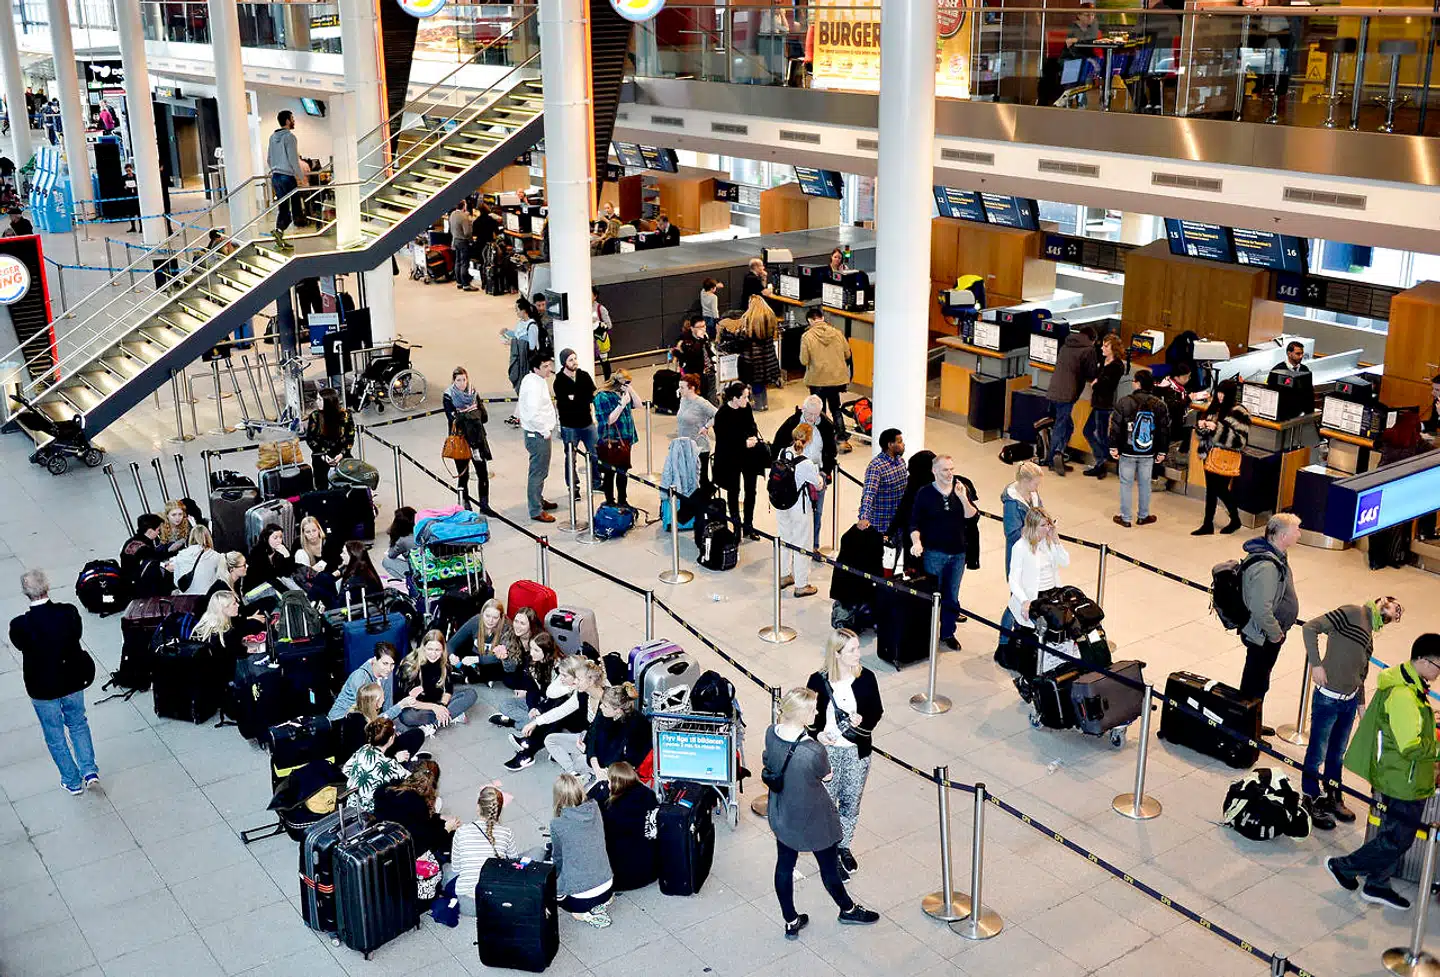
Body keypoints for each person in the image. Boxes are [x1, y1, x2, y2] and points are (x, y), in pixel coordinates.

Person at [1326, 634, 1440, 912]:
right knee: (1398, 839)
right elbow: (1410, 746)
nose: (1439, 673)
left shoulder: (1412, 685)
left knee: (1392, 834)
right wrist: (1437, 748)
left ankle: (1378, 884)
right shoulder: (1404, 695)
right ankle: (1345, 866)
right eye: (1439, 666)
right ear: (1423, 661)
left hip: (1401, 775)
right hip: (1403, 779)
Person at [763, 687, 879, 939]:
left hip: (783, 813)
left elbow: (770, 758)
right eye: (813, 709)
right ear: (803, 715)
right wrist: (821, 744)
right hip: (814, 819)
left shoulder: (771, 733)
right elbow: (827, 775)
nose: (817, 711)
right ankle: (847, 909)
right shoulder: (813, 750)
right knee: (828, 868)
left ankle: (791, 920)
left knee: (784, 867)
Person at [1301, 596, 1405, 830]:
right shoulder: (1351, 612)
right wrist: (1316, 664)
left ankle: (1332, 794)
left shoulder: (1369, 638)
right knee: (1318, 751)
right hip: (1327, 698)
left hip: (1348, 703)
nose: (1395, 615)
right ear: (1382, 600)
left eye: (1398, 616)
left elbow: (1361, 676)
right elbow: (1310, 628)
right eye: (1394, 608)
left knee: (1337, 753)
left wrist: (1360, 708)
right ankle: (1310, 797)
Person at [9, 570, 98, 795]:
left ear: (25, 593)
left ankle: (71, 780)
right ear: (47, 586)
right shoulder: (68, 612)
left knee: (54, 734)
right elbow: (76, 635)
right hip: (72, 680)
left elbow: (21, 645)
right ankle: (89, 771)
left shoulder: (20, 625)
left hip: (42, 687)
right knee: (78, 723)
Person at [806, 629, 882, 881]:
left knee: (851, 802)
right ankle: (829, 854)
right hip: (827, 752)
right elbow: (809, 717)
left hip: (855, 751)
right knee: (827, 806)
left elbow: (876, 712)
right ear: (836, 654)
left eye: (858, 648)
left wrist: (861, 723)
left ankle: (843, 846)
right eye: (852, 650)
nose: (858, 654)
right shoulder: (818, 681)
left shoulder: (866, 678)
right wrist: (817, 735)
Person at [1238, 513, 1303, 734]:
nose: (1299, 534)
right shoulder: (1267, 566)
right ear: (1283, 535)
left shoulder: (1278, 555)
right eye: (1297, 530)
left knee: (1259, 681)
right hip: (1263, 635)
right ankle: (1247, 729)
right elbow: (1260, 609)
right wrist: (1275, 633)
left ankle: (1252, 723)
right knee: (1254, 683)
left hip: (1268, 634)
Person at [908, 454, 980, 650]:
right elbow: (914, 522)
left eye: (951, 469)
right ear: (934, 472)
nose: (950, 474)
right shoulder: (924, 493)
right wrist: (917, 541)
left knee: (952, 596)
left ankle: (948, 633)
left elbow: (972, 517)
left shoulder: (960, 488)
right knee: (933, 595)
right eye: (945, 470)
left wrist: (964, 498)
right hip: (934, 553)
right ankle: (928, 633)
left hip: (958, 553)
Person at [507, 655, 605, 772]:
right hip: (587, 735)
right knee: (551, 738)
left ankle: (529, 747)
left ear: (590, 680)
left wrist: (588, 745)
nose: (574, 681)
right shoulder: (582, 694)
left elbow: (607, 735)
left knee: (580, 759)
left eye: (577, 679)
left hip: (599, 744)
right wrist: (535, 723)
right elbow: (560, 708)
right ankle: (573, 773)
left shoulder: (605, 701)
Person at [549, 773, 615, 927]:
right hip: (607, 883)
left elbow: (558, 858)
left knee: (555, 893)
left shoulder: (557, 823)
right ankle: (602, 903)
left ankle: (584, 914)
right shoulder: (595, 809)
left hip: (579, 894)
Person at [1107, 368, 1169, 528]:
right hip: (1148, 451)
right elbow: (1163, 430)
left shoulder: (1124, 402)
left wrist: (1113, 447)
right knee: (1145, 483)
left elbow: (1115, 427)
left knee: (1126, 483)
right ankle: (1143, 516)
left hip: (1127, 451)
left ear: (1138, 383)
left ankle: (1126, 518)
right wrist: (1162, 451)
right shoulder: (1159, 405)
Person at [776, 395, 837, 554]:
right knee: (795, 513)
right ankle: (794, 545)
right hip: (794, 478)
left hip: (818, 475)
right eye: (809, 414)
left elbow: (831, 452)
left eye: (816, 414)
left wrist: (825, 472)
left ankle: (813, 546)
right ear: (803, 410)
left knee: (817, 513)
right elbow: (778, 446)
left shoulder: (826, 426)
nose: (812, 418)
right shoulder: (791, 423)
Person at [449, 785, 522, 915]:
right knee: (536, 852)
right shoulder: (506, 833)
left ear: (478, 807)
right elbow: (514, 863)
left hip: (467, 904)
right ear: (498, 811)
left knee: (447, 870)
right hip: (496, 901)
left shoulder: (461, 832)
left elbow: (456, 868)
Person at [1192, 378, 1250, 536]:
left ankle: (1235, 519)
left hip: (1226, 456)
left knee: (1221, 489)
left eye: (1224, 393)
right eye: (1219, 392)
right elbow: (1200, 434)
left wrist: (1217, 428)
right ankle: (1207, 524)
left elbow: (1240, 441)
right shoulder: (1213, 408)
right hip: (1209, 453)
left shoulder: (1239, 412)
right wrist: (1202, 427)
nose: (1220, 396)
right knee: (1211, 490)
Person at [590, 761, 659, 891]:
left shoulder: (613, 809)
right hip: (651, 869)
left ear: (616, 783)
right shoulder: (648, 794)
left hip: (623, 878)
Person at [775, 423, 825, 598]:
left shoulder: (782, 452)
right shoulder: (806, 463)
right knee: (802, 543)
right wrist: (819, 476)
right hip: (800, 507)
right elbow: (818, 485)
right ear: (808, 440)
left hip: (781, 505)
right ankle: (801, 584)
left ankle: (783, 575)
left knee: (784, 539)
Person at [374, 759, 461, 858]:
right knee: (448, 834)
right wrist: (447, 828)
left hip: (383, 836)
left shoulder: (389, 788)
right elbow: (426, 837)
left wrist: (440, 817)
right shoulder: (418, 804)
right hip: (402, 849)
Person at [1007, 506, 1071, 641]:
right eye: (1043, 525)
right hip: (1034, 597)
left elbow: (1065, 562)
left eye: (1048, 524)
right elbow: (1013, 579)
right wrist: (1024, 601)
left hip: (1052, 593)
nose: (1047, 529)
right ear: (1033, 526)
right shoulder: (1020, 547)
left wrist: (1056, 540)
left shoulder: (1048, 543)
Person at [398, 629, 479, 734]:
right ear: (423, 647)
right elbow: (407, 701)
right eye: (430, 649)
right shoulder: (410, 665)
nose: (433, 654)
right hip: (419, 705)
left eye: (437, 650)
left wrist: (442, 706)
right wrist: (435, 707)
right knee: (407, 717)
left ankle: (434, 724)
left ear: (443, 650)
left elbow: (448, 689)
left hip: (438, 698)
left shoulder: (443, 661)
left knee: (471, 693)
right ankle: (451, 714)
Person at [1045, 324, 1099, 476]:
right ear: (1092, 339)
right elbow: (1091, 373)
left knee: (1067, 426)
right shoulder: (1088, 349)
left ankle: (1059, 455)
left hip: (1053, 389)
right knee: (1061, 426)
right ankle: (1053, 458)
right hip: (1067, 394)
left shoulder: (1065, 344)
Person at [712, 381, 763, 541]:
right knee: (733, 492)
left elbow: (751, 425)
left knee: (751, 490)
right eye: (745, 397)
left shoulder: (745, 408)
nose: (747, 401)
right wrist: (743, 443)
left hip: (748, 456)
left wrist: (753, 436)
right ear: (734, 398)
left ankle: (749, 525)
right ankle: (736, 526)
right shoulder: (722, 415)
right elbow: (723, 440)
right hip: (731, 458)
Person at [488, 621, 560, 731]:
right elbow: (532, 689)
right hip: (538, 701)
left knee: (549, 723)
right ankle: (531, 724)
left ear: (546, 652)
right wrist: (532, 707)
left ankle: (515, 723)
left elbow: (557, 700)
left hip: (551, 706)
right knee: (505, 704)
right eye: (531, 649)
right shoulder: (532, 662)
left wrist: (539, 709)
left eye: (536, 650)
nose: (532, 653)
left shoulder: (557, 669)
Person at [799, 308, 854, 453]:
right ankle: (842, 439)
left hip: (817, 379)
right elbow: (847, 353)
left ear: (810, 320)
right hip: (837, 378)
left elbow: (804, 360)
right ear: (822, 318)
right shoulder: (837, 333)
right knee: (836, 407)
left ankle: (823, 439)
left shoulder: (807, 336)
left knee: (820, 410)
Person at [335, 681, 424, 763]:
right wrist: (395, 758)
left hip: (376, 751)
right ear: (376, 702)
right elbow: (369, 758)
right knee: (416, 736)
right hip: (373, 762)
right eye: (382, 697)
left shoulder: (359, 713)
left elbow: (382, 717)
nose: (384, 699)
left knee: (413, 734)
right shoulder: (360, 726)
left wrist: (401, 705)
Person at [329, 642, 419, 722]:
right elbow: (370, 721)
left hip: (366, 717)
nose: (389, 669)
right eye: (385, 663)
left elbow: (388, 703)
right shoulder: (361, 679)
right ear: (375, 659)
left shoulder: (386, 672)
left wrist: (390, 725)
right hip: (342, 722)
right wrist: (400, 705)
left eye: (392, 665)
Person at [519, 351, 560, 523]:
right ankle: (536, 509)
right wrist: (545, 431)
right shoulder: (533, 385)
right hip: (537, 435)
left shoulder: (536, 380)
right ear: (536, 368)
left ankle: (538, 499)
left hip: (538, 432)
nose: (549, 369)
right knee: (538, 472)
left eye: (549, 365)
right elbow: (533, 414)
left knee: (541, 471)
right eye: (545, 366)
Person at [554, 348, 600, 500]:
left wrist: (576, 399)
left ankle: (596, 482)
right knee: (570, 458)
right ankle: (573, 488)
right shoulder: (559, 381)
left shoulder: (584, 376)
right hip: (569, 426)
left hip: (587, 423)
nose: (574, 362)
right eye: (570, 360)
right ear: (564, 363)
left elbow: (591, 396)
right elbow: (566, 404)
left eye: (575, 358)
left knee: (595, 454)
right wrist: (579, 399)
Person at [443, 367, 491, 510]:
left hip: (477, 439)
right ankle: (465, 504)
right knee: (463, 475)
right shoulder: (448, 396)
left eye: (464, 379)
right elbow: (454, 419)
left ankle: (484, 505)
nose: (462, 383)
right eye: (458, 380)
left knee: (483, 473)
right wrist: (472, 414)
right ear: (454, 381)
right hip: (461, 440)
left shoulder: (473, 392)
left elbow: (483, 416)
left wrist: (466, 415)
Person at [585, 682, 651, 783]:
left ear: (618, 710)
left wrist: (606, 772)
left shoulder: (636, 723)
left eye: (605, 706)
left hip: (622, 770)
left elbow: (628, 757)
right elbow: (592, 738)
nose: (601, 707)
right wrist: (596, 767)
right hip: (600, 763)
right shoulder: (603, 713)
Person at [593, 370, 640, 508]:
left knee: (622, 472)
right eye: (626, 383)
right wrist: (622, 404)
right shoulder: (602, 397)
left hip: (625, 439)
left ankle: (622, 500)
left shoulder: (624, 394)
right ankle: (609, 501)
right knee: (609, 473)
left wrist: (631, 391)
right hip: (610, 440)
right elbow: (608, 420)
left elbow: (639, 405)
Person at [343, 718, 409, 813]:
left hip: (351, 803)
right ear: (391, 739)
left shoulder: (364, 748)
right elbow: (412, 779)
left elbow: (346, 770)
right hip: (371, 810)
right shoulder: (389, 765)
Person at [1082, 334, 1126, 478]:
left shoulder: (1117, 365)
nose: (1102, 348)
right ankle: (1102, 459)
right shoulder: (1103, 361)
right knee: (1089, 431)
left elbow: (1106, 386)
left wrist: (1096, 384)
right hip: (1097, 403)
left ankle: (1102, 462)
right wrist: (1097, 383)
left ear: (1113, 348)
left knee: (1100, 434)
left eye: (1106, 346)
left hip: (1105, 404)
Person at [856, 428, 908, 536]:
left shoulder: (901, 462)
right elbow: (868, 494)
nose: (903, 444)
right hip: (882, 525)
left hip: (899, 522)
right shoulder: (876, 467)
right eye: (899, 442)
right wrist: (863, 517)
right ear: (890, 445)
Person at [266, 110, 303, 250]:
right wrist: (301, 177)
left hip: (276, 176)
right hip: (287, 177)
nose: (294, 121)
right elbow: (293, 159)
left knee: (283, 208)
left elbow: (269, 159)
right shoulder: (290, 138)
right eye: (292, 118)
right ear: (287, 121)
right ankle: (281, 229)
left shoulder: (272, 137)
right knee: (295, 208)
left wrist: (276, 168)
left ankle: (279, 232)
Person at [304, 388, 354, 492]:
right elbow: (310, 439)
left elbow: (350, 437)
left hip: (341, 454)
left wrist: (342, 454)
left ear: (328, 402)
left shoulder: (345, 415)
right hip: (321, 454)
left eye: (320, 399)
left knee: (348, 483)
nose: (317, 402)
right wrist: (324, 454)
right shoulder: (315, 416)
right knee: (322, 486)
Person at [1001, 461, 1045, 577]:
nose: (1037, 488)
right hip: (1020, 555)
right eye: (1036, 484)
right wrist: (1035, 533)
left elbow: (1041, 513)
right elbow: (1012, 534)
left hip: (1035, 549)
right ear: (1025, 481)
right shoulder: (1012, 504)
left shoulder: (1032, 493)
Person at [739, 295, 782, 412]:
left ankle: (758, 405)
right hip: (768, 357)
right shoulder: (770, 316)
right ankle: (764, 403)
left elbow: (743, 339)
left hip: (753, 359)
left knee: (755, 383)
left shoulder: (749, 319)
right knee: (762, 383)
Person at [502, 297, 540, 425]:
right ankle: (518, 415)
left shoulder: (532, 326)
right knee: (524, 390)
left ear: (524, 311)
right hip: (520, 361)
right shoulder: (520, 324)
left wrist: (513, 343)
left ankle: (517, 415)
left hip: (528, 364)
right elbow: (518, 335)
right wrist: (508, 333)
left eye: (517, 310)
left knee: (524, 390)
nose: (516, 312)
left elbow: (532, 346)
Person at [675, 373, 717, 485]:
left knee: (700, 480)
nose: (680, 390)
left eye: (682, 387)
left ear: (692, 388)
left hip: (699, 447)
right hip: (684, 446)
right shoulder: (683, 400)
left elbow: (719, 415)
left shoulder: (701, 403)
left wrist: (706, 426)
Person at [189, 590, 247, 665]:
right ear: (224, 608)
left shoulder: (203, 624)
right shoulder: (226, 633)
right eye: (234, 604)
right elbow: (240, 653)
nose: (238, 605)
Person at [120, 513, 171, 596]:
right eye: (158, 530)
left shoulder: (133, 540)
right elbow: (157, 558)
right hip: (138, 588)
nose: (159, 533)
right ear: (150, 531)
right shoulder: (143, 547)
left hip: (128, 582)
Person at [673, 317, 716, 402]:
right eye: (699, 327)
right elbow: (691, 356)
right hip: (695, 374)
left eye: (704, 326)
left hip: (709, 371)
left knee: (711, 398)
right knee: (698, 399)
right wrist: (700, 341)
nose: (702, 329)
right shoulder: (685, 340)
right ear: (692, 328)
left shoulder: (705, 336)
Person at [174, 524, 225, 596]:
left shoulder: (180, 556)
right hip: (206, 598)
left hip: (186, 598)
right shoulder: (216, 556)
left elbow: (176, 582)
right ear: (208, 538)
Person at [246, 524, 294, 590]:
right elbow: (264, 576)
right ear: (266, 538)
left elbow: (288, 572)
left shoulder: (282, 549)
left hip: (274, 585)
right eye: (275, 538)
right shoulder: (257, 552)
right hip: (257, 587)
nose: (279, 541)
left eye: (280, 537)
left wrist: (287, 556)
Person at [334, 540, 384, 604]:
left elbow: (340, 604)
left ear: (352, 556)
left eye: (344, 553)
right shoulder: (366, 569)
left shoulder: (353, 581)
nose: (341, 555)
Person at [381, 507, 417, 580]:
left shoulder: (403, 540)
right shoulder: (423, 532)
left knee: (386, 560)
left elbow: (391, 554)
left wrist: (393, 531)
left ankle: (408, 580)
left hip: (417, 571)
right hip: (428, 566)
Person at [449, 202, 476, 290]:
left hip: (455, 240)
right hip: (463, 242)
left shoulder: (452, 214)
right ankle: (466, 285)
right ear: (464, 207)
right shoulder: (464, 217)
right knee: (465, 263)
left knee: (458, 261)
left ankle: (459, 282)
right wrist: (471, 241)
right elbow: (467, 232)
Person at [592, 287, 614, 381]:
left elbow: (609, 325)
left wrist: (598, 325)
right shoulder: (581, 308)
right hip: (588, 340)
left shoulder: (600, 308)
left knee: (604, 362)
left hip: (599, 340)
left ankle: (607, 381)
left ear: (595, 296)